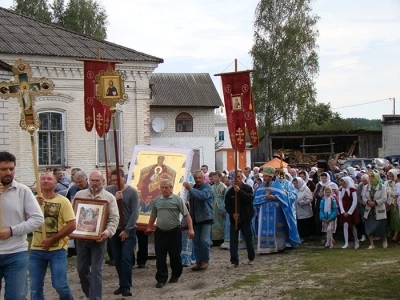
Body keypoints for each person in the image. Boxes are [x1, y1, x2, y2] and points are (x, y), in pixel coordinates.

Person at [0, 151, 44, 300]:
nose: (8, 172)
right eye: (4, 169)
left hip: (16, 252)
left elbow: (38, 219)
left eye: (11, 169)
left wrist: (12, 231)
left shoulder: (22, 191)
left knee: (16, 296)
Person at [30, 172, 76, 300]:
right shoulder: (32, 201)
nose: (45, 181)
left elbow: (72, 225)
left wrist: (52, 239)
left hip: (57, 250)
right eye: (43, 179)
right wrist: (33, 206)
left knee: (60, 285)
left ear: (55, 183)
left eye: (49, 179)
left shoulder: (63, 201)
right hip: (36, 250)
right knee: (35, 288)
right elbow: (24, 221)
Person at [74, 170, 119, 300]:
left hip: (99, 239)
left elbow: (114, 219)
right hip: (81, 239)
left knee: (96, 270)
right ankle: (89, 292)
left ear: (103, 181)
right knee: (81, 270)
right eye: (93, 180)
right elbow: (74, 215)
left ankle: (95, 297)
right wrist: (73, 230)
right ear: (89, 180)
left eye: (97, 180)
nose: (95, 183)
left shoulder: (109, 198)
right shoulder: (80, 195)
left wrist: (107, 232)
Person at [147, 179, 194, 288]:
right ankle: (161, 278)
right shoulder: (157, 200)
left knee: (174, 255)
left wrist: (191, 229)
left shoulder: (177, 200)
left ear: (171, 188)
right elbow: (153, 215)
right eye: (162, 187)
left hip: (174, 232)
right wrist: (149, 227)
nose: (164, 190)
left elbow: (186, 215)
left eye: (166, 187)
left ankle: (176, 274)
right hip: (160, 232)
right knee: (160, 256)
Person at [106, 168, 139, 297]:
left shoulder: (132, 192)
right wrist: (114, 198)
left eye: (117, 180)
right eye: (113, 180)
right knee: (117, 258)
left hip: (128, 229)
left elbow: (135, 212)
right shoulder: (108, 190)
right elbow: (105, 206)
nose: (115, 182)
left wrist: (126, 230)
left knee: (126, 257)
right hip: (114, 229)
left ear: (123, 177)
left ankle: (126, 286)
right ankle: (122, 283)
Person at [253, 166, 300, 254]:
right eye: (263, 176)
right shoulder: (262, 186)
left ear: (271, 177)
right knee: (264, 229)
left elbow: (284, 198)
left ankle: (277, 247)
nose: (264, 178)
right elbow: (256, 198)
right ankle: (265, 248)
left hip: (275, 212)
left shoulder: (277, 186)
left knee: (276, 230)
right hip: (263, 212)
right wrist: (262, 200)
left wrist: (274, 197)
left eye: (266, 176)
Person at [183, 170, 213, 271]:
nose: (198, 180)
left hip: (206, 217)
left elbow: (202, 196)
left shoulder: (207, 187)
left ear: (203, 178)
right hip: (195, 218)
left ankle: (205, 260)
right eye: (196, 178)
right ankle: (198, 261)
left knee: (204, 240)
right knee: (196, 242)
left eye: (200, 178)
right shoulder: (193, 188)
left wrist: (190, 189)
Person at [224, 170, 255, 268]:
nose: (237, 179)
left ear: (241, 177)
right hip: (235, 219)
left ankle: (251, 257)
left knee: (248, 239)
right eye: (235, 177)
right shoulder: (230, 191)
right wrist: (232, 214)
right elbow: (227, 205)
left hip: (245, 218)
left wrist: (239, 191)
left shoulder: (247, 188)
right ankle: (234, 261)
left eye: (238, 177)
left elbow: (249, 198)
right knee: (233, 240)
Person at [363, 172, 388, 249]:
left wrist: (376, 202)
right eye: (369, 177)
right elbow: (363, 197)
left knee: (381, 227)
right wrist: (368, 202)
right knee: (369, 227)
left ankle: (384, 240)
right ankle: (372, 244)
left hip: (378, 209)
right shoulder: (366, 187)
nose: (370, 179)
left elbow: (384, 198)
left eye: (372, 177)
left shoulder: (382, 186)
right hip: (369, 210)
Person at [338, 177, 360, 249]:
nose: (342, 185)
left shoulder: (352, 190)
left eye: (343, 184)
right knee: (345, 225)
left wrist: (349, 212)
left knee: (353, 225)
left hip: (351, 209)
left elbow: (354, 202)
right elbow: (340, 200)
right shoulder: (341, 190)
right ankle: (346, 242)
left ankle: (356, 240)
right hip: (344, 208)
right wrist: (343, 211)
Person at [293, 177, 313, 245]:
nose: (295, 185)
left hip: (305, 210)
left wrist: (303, 202)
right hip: (297, 209)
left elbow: (310, 198)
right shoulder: (295, 189)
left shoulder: (306, 189)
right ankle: (301, 237)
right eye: (294, 183)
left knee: (305, 224)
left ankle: (307, 238)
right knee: (300, 224)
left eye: (296, 183)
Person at [211, 171, 226, 245]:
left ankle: (221, 238)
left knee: (221, 222)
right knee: (214, 222)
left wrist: (224, 208)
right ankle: (214, 239)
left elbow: (225, 198)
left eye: (216, 177)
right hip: (214, 206)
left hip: (221, 205)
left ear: (220, 177)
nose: (214, 179)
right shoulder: (212, 187)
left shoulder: (223, 186)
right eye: (213, 177)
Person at [385, 169, 400, 241]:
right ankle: (393, 232)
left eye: (392, 176)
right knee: (392, 219)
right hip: (390, 203)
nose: (391, 177)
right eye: (390, 176)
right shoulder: (387, 183)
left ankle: (396, 235)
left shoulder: (398, 184)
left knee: (397, 219)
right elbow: (387, 193)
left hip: (396, 203)